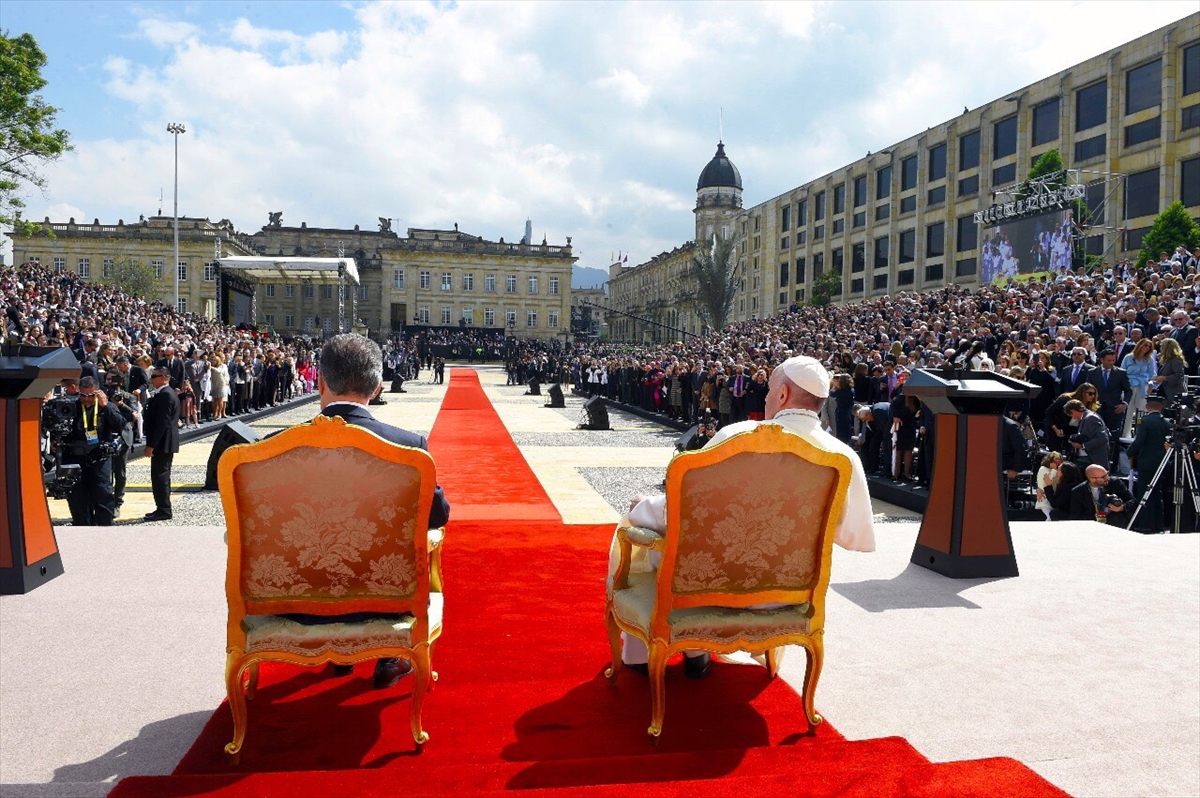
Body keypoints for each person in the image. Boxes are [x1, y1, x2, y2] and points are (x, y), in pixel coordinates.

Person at [614, 355, 875, 676]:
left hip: (710, 590)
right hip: (787, 599)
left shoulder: (736, 438)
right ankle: (697, 653)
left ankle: (656, 654)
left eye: (769, 391)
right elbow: (853, 535)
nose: (765, 397)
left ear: (782, 396)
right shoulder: (843, 457)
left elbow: (683, 515)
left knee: (645, 535)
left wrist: (642, 506)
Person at [311, 333, 451, 689]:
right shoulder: (407, 446)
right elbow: (438, 516)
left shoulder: (272, 448)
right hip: (384, 596)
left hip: (302, 597)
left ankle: (341, 653)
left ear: (320, 381)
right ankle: (389, 655)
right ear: (376, 387)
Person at [62, 376, 128, 526]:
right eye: (83, 395)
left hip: (99, 456)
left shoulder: (106, 406)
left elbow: (121, 424)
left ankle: (104, 528)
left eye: (91, 395)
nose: (86, 399)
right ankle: (82, 527)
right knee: (77, 497)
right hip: (76, 455)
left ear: (98, 393)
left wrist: (105, 406)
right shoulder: (73, 406)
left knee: (102, 493)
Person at [1126, 394, 1171, 533]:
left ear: (1147, 406)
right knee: (1157, 494)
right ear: (1161, 407)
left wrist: (1129, 452)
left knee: (1144, 494)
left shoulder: (1144, 421)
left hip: (1147, 463)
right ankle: (1159, 524)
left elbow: (1139, 441)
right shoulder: (1167, 422)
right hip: (1162, 462)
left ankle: (1146, 524)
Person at [142, 367, 180, 522]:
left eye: (155, 376)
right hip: (164, 441)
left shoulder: (165, 395)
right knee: (161, 475)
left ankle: (164, 509)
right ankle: (162, 507)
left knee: (160, 476)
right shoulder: (164, 393)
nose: (152, 379)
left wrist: (151, 445)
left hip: (163, 442)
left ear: (165, 377)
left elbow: (162, 423)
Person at [1068, 465, 1133, 525]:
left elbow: (1132, 500)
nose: (1107, 478)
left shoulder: (1115, 483)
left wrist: (1122, 507)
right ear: (1092, 479)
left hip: (1115, 522)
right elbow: (1075, 516)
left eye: (1107, 474)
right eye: (1103, 477)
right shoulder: (1078, 491)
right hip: (1092, 525)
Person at [1065, 398, 1110, 469]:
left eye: (1072, 415)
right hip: (1087, 458)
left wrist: (1082, 446)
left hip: (1093, 459)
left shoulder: (1091, 418)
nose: (1073, 418)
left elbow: (1103, 438)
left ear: (1073, 411)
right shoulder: (1084, 418)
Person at [1035, 451, 1063, 521]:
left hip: (1053, 499)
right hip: (1044, 499)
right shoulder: (1043, 469)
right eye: (1055, 463)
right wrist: (1053, 470)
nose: (1057, 465)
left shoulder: (1058, 471)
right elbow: (1049, 482)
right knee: (1050, 518)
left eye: (1059, 463)